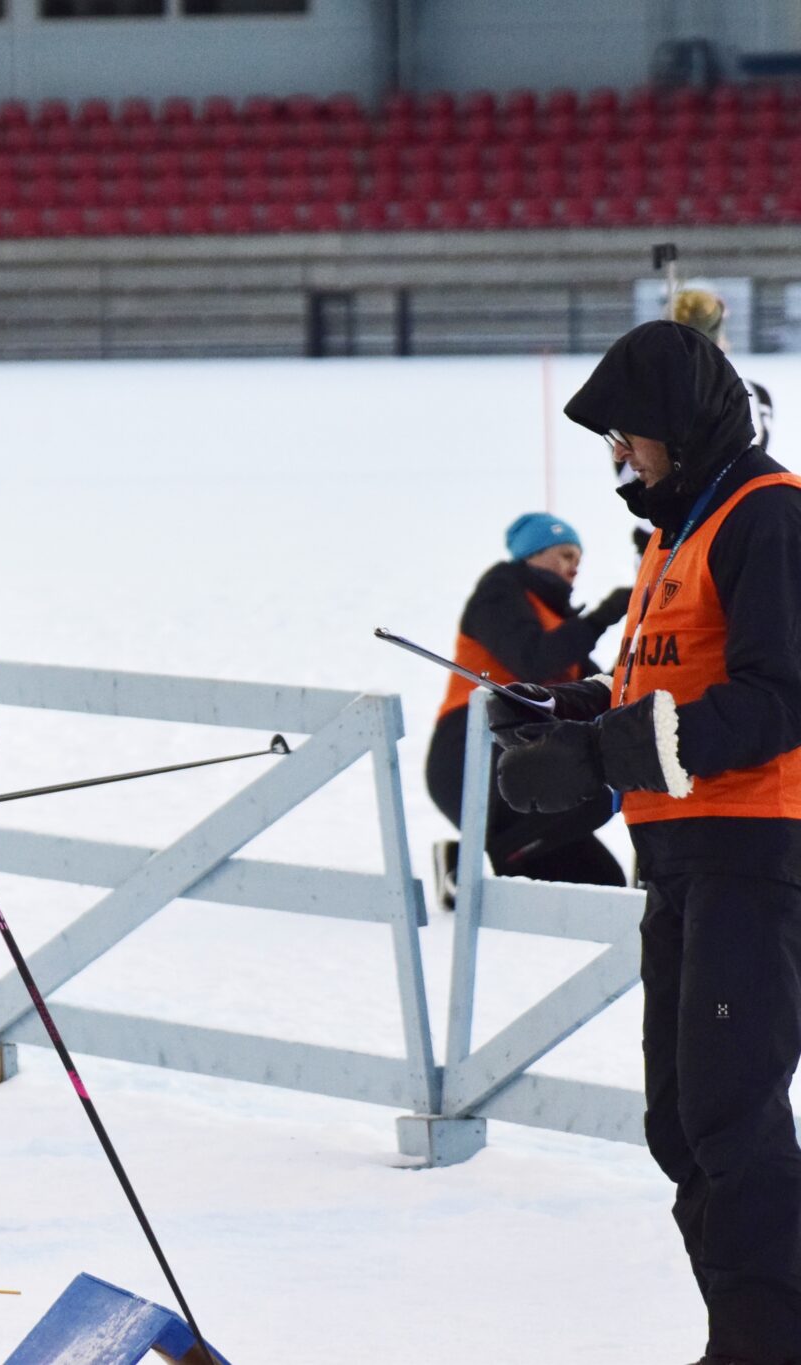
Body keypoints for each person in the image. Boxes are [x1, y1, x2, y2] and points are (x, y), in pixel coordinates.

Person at [494, 320, 801, 1365]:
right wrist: (573, 711)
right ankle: (744, 1330)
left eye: (631, 440)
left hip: (752, 852)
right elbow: (664, 689)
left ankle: (763, 1341)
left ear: (680, 425)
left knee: (728, 1115)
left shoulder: (765, 517)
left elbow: (774, 698)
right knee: (679, 1129)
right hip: (675, 856)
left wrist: (604, 757)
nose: (621, 463)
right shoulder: (681, 528)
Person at [423, 512, 631, 900]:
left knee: (604, 885)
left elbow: (596, 691)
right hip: (469, 749)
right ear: (534, 554)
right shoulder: (500, 591)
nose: (575, 565)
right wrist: (604, 616)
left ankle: (468, 866)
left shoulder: (561, 622)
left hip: (525, 753)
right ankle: (474, 865)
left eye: (579, 558)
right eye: (566, 554)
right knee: (589, 792)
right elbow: (533, 660)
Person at [615, 284, 774, 556]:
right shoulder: (750, 394)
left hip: (712, 527)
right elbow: (631, 472)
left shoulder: (747, 394)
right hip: (678, 531)